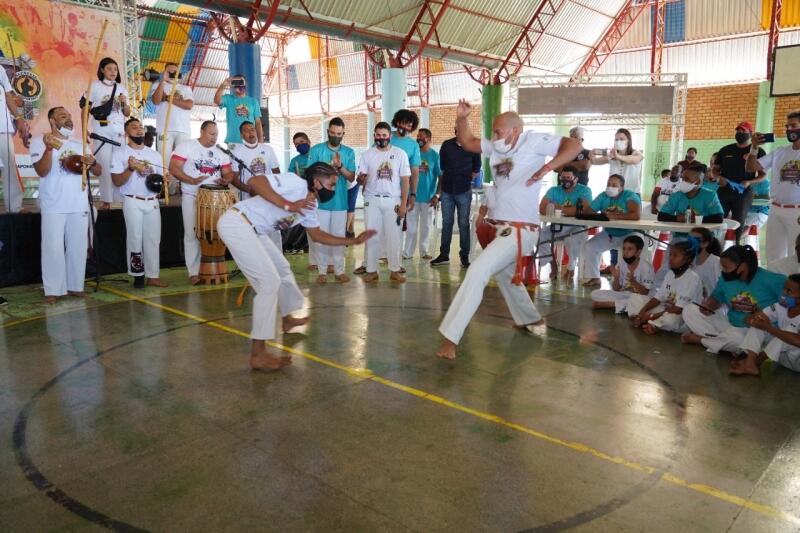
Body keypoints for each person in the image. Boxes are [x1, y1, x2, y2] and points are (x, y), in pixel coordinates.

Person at [435, 100, 582, 360]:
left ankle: (450, 338)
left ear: (516, 130)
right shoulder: (496, 147)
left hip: (520, 231)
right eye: (492, 131)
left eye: (499, 131)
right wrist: (461, 118)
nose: (494, 137)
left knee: (478, 271)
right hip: (501, 228)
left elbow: (574, 145)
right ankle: (529, 318)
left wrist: (548, 167)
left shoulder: (533, 141)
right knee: (505, 275)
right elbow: (468, 141)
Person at [217, 162, 375, 371]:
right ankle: (258, 354)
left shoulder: (311, 206)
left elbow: (317, 236)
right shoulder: (295, 182)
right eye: (332, 184)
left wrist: (352, 241)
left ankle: (287, 318)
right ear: (317, 182)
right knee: (269, 284)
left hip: (254, 231)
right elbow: (255, 181)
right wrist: (289, 205)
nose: (334, 189)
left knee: (282, 269)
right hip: (236, 223)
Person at [31, 106, 100, 304]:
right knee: (52, 247)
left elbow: (99, 172)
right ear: (52, 120)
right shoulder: (40, 141)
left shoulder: (81, 145)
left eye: (69, 116)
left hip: (78, 202)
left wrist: (92, 162)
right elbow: (42, 171)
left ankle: (75, 286)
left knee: (78, 247)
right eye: (63, 116)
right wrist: (49, 149)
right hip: (54, 202)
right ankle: (53, 289)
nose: (69, 119)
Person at [682, 245, 786, 354]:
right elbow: (716, 299)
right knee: (689, 310)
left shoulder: (773, 280)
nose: (723, 271)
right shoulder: (726, 278)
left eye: (726, 267)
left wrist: (765, 316)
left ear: (743, 266)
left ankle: (703, 340)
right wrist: (708, 307)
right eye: (722, 267)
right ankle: (725, 342)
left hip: (757, 330)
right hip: (731, 323)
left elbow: (791, 302)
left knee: (737, 339)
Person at [168, 121, 235, 285]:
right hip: (192, 195)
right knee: (192, 234)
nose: (214, 138)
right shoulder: (187, 146)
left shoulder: (221, 152)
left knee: (215, 234)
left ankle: (214, 268)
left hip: (215, 199)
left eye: (216, 134)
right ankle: (193, 272)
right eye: (211, 134)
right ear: (202, 131)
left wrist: (225, 180)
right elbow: (174, 168)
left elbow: (229, 173)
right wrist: (191, 180)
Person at [110, 118, 168, 289]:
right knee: (135, 237)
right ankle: (137, 275)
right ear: (126, 133)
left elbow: (158, 184)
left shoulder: (154, 154)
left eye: (141, 127)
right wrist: (130, 168)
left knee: (153, 239)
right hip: (133, 200)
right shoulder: (120, 153)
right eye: (134, 127)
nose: (139, 130)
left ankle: (153, 275)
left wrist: (165, 182)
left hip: (152, 201)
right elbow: (117, 182)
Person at [357, 121, 410, 283]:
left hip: (393, 200)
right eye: (378, 135)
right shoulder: (367, 155)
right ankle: (372, 270)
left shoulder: (400, 154)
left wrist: (403, 204)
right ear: (374, 136)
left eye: (384, 135)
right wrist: (360, 179)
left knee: (394, 236)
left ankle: (395, 270)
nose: (381, 138)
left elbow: (406, 180)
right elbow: (361, 180)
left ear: (390, 136)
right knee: (372, 235)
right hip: (371, 199)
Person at [746, 111, 800, 263]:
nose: (789, 129)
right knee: (773, 256)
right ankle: (775, 286)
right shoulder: (780, 152)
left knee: (795, 256)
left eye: (794, 126)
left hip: (797, 212)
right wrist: (754, 147)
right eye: (787, 126)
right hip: (775, 209)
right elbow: (751, 168)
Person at [307, 117, 356, 283]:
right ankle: (322, 271)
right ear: (328, 132)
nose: (336, 136)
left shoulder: (349, 152)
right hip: (321, 203)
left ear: (343, 134)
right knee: (322, 237)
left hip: (340, 203)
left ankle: (339, 270)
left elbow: (352, 177)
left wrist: (340, 166)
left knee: (337, 237)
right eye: (333, 133)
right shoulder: (316, 150)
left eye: (339, 134)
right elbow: (309, 174)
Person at [431, 127, 481, 267]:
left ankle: (464, 256)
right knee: (447, 222)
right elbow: (442, 165)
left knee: (464, 223)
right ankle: (444, 255)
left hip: (464, 190)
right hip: (447, 191)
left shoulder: (473, 147)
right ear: (455, 131)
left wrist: (466, 176)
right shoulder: (447, 145)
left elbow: (477, 168)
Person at [730, 275, 800, 376]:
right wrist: (755, 315)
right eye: (784, 289)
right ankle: (750, 362)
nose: (784, 293)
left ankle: (756, 362)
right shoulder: (780, 306)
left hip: (797, 362)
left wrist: (768, 327)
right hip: (782, 358)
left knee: (789, 331)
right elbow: (757, 317)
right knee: (760, 324)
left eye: (789, 291)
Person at [630, 239, 703, 334]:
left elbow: (678, 309)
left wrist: (651, 316)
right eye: (670, 254)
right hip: (665, 309)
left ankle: (653, 324)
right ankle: (647, 321)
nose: (671, 258)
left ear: (688, 259)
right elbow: (658, 297)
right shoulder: (670, 273)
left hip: (681, 316)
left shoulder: (692, 278)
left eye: (675, 255)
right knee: (634, 298)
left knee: (670, 320)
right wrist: (642, 312)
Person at [580, 174, 642, 287]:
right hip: (609, 234)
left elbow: (635, 215)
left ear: (621, 188)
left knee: (631, 249)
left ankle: (631, 281)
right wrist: (599, 213)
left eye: (614, 185)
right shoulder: (603, 196)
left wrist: (614, 216)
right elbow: (589, 212)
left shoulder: (630, 195)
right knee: (590, 246)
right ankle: (594, 278)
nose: (610, 187)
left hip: (629, 233)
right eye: (608, 184)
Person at [87, 57, 131, 209]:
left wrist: (124, 102)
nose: (113, 72)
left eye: (115, 69)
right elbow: (85, 107)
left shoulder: (121, 88)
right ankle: (106, 200)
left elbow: (127, 112)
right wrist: (84, 127)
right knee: (104, 164)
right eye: (109, 69)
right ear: (102, 70)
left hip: (118, 130)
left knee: (119, 163)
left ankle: (120, 198)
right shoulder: (95, 86)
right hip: (101, 129)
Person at [713, 121, 766, 243]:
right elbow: (715, 171)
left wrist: (749, 182)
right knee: (717, 219)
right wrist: (718, 178)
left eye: (743, 131)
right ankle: (714, 247)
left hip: (744, 192)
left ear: (750, 133)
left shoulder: (757, 151)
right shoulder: (725, 150)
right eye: (738, 131)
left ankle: (735, 249)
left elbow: (763, 176)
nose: (739, 133)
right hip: (724, 190)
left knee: (739, 222)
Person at [537, 165, 592, 282]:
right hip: (556, 226)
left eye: (569, 177)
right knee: (538, 236)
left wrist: (556, 207)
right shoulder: (554, 190)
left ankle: (571, 268)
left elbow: (581, 210)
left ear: (576, 179)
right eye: (563, 177)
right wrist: (569, 210)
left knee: (571, 240)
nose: (565, 180)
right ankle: (552, 263)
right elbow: (542, 208)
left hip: (578, 228)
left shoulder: (585, 190)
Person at [589, 235, 654, 313]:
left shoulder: (647, 267)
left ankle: (610, 305)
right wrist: (616, 277)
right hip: (624, 295)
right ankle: (622, 306)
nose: (625, 252)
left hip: (639, 297)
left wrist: (633, 282)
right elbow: (616, 289)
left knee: (640, 302)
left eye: (630, 249)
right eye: (624, 248)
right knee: (595, 293)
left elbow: (646, 292)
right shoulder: (621, 264)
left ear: (638, 252)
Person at [404, 128, 440, 260]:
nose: (418, 139)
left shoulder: (434, 156)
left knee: (426, 226)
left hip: (428, 198)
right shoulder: (413, 154)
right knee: (411, 228)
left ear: (429, 139)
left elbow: (441, 177)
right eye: (417, 136)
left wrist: (437, 195)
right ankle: (407, 252)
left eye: (421, 137)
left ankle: (424, 251)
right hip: (412, 197)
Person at [657, 161, 724, 227]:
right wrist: (678, 218)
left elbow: (719, 217)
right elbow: (661, 216)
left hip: (702, 235)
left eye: (686, 179)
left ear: (697, 182)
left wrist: (694, 219)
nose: (683, 181)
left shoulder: (710, 195)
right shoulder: (676, 195)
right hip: (678, 235)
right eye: (682, 178)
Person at [1, 64, 30, 213]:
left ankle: (14, 208)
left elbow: (8, 96)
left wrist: (18, 118)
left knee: (9, 168)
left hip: (2, 128)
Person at [150, 62, 194, 158]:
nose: (172, 73)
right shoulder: (157, 85)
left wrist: (167, 98)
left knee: (182, 161)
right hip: (164, 129)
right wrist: (162, 81)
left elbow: (189, 105)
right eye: (169, 72)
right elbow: (156, 101)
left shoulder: (186, 88)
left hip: (183, 130)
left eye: (175, 71)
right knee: (164, 160)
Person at [229, 121, 281, 197]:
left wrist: (275, 189)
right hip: (246, 198)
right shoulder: (236, 152)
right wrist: (250, 190)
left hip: (267, 195)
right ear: (241, 135)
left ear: (256, 132)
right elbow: (234, 179)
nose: (250, 132)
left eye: (252, 129)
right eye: (246, 131)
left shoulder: (268, 149)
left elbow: (277, 173)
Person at [590, 128, 644, 195]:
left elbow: (633, 160)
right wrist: (592, 153)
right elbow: (595, 161)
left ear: (628, 141)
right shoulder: (612, 156)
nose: (618, 141)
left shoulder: (636, 153)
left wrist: (617, 156)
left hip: (632, 193)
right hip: (614, 193)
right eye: (616, 139)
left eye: (622, 139)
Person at [214, 74, 263, 145]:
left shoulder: (253, 101)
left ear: (246, 83)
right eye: (236, 82)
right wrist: (223, 85)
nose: (239, 85)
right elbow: (216, 100)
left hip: (250, 141)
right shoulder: (228, 98)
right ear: (233, 84)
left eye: (241, 82)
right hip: (233, 141)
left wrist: (260, 140)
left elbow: (258, 122)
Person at [688, 226, 722, 296]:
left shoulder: (715, 262)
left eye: (696, 240)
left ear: (706, 243)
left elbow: (721, 288)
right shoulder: (688, 261)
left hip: (709, 304)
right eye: (689, 239)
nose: (691, 243)